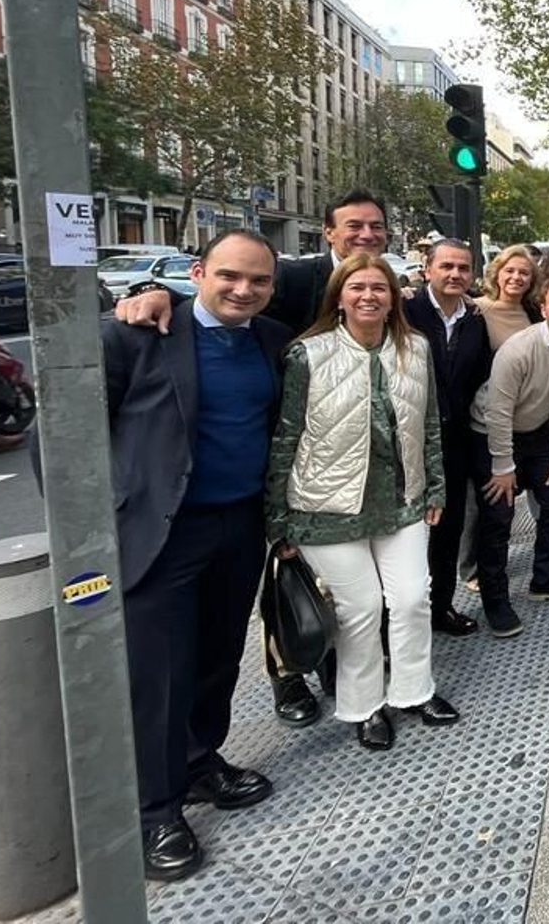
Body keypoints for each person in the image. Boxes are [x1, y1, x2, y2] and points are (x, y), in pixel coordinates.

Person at [115, 188, 392, 728]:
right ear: (329, 231)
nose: (365, 234)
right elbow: (216, 297)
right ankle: (286, 676)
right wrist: (151, 291)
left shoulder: (380, 285)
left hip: (321, 464)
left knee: (322, 586)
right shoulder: (288, 277)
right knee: (285, 579)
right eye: (353, 226)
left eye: (375, 226)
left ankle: (324, 674)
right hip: (236, 485)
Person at [102, 231, 287, 881]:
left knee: (217, 657)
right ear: (197, 272)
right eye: (231, 276)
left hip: (238, 526)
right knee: (160, 674)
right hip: (162, 535)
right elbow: (62, 438)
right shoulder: (136, 335)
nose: (244, 290)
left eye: (259, 282)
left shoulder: (269, 341)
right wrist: (103, 525)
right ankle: (155, 811)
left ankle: (200, 762)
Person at [265, 253, 458, 752]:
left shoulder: (414, 349)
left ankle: (414, 690)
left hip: (402, 500)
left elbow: (430, 424)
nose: (369, 296)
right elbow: (286, 436)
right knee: (361, 609)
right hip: (326, 507)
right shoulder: (308, 354)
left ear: (394, 296)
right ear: (340, 297)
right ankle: (365, 706)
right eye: (358, 287)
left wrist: (435, 484)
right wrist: (277, 519)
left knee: (414, 598)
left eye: (380, 287)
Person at [474, 275, 549, 628]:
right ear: (543, 309)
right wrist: (503, 465)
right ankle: (495, 601)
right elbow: (498, 411)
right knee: (499, 517)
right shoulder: (518, 349)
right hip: (490, 433)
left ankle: (545, 579)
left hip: (536, 429)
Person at [401, 239, 491, 637]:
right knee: (404, 538)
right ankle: (402, 621)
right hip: (406, 441)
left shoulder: (474, 320)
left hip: (454, 443)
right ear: (428, 269)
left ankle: (441, 608)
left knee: (448, 532)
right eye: (447, 266)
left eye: (463, 268)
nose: (455, 274)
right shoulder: (405, 311)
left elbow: (478, 377)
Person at [479, 245, 543, 339]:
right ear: (496, 275)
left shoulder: (535, 312)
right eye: (509, 271)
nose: (516, 277)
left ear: (532, 280)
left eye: (523, 273)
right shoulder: (477, 309)